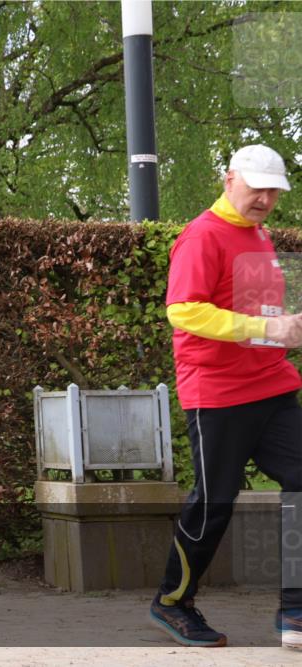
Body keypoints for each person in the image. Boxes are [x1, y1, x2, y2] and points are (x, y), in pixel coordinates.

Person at [149, 144, 302, 650]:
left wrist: (285, 327)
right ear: (228, 178)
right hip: (216, 393)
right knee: (216, 501)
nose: (263, 198)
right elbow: (184, 310)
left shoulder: (259, 235)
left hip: (272, 386)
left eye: (272, 190)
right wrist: (265, 324)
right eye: (255, 186)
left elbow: (257, 309)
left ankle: (295, 610)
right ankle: (173, 601)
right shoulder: (201, 236)